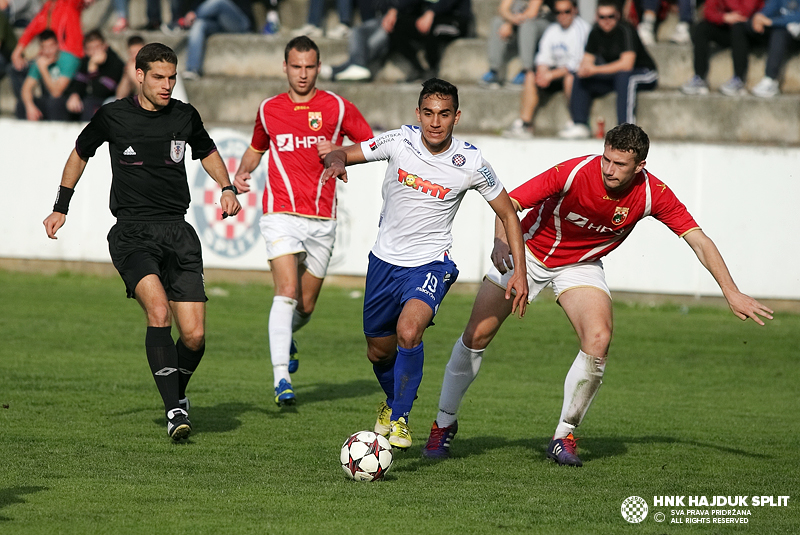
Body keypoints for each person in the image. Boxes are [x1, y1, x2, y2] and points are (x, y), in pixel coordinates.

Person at [422, 123, 773, 464]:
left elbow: (699, 240)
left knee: (599, 338)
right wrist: (502, 245)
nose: (609, 169)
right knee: (477, 334)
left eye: (619, 164)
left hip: (581, 265)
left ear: (640, 166)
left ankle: (564, 436)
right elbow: (507, 204)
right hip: (526, 252)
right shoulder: (574, 171)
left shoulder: (653, 194)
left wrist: (731, 291)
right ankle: (443, 423)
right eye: (606, 159)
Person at [42, 43, 242, 441]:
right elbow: (80, 153)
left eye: (172, 77)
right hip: (132, 233)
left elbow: (207, 151)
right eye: (158, 77)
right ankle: (173, 412)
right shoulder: (113, 115)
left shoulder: (185, 116)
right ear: (139, 75)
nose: (167, 85)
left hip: (178, 233)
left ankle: (176, 394)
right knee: (158, 310)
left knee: (195, 336)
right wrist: (61, 205)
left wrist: (227, 186)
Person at [321, 78, 530, 449]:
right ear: (418, 114)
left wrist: (521, 274)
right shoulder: (399, 141)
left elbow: (509, 214)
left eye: (444, 114)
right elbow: (343, 153)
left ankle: (400, 418)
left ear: (456, 117)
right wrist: (336, 161)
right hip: (384, 263)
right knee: (378, 350)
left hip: (432, 264)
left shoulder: (471, 161)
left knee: (408, 331)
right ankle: (392, 402)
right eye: (429, 113)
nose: (435, 122)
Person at [232, 36, 373, 408]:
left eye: (310, 67)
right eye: (296, 66)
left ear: (319, 67)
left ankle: (287, 336)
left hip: (323, 218)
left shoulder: (338, 108)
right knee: (287, 291)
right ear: (285, 67)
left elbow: (373, 144)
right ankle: (282, 376)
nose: (303, 74)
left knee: (305, 306)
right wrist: (242, 173)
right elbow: (256, 148)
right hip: (279, 213)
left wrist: (340, 152)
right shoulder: (269, 109)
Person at [558, 0, 657, 139]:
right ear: (596, 17)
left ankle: (626, 130)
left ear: (617, 16)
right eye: (602, 17)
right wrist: (585, 70)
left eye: (610, 16)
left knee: (625, 78)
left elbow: (626, 64)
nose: (606, 21)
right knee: (579, 77)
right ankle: (579, 123)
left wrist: (594, 70)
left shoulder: (626, 30)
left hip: (644, 72)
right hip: (615, 76)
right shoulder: (594, 32)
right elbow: (587, 61)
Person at [503, 0, 590, 138]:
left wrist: (550, 75)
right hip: (554, 73)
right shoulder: (553, 29)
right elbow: (543, 57)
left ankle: (577, 122)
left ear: (574, 10)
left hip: (575, 76)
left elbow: (576, 63)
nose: (562, 15)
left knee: (571, 77)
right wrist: (542, 73)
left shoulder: (582, 29)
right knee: (531, 75)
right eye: (558, 12)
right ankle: (525, 124)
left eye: (566, 11)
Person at [680, 0, 764, 96]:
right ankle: (699, 77)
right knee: (702, 28)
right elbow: (708, 12)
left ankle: (739, 79)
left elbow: (745, 12)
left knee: (738, 27)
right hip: (728, 26)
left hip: (752, 31)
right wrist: (724, 17)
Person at [389, 0, 473, 80]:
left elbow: (447, 3)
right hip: (430, 19)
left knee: (433, 30)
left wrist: (432, 12)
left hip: (455, 21)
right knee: (395, 27)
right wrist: (394, 10)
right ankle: (419, 68)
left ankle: (432, 68)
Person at [480, 0, 554, 88]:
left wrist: (510, 24)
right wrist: (510, 21)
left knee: (527, 25)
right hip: (518, 22)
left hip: (542, 24)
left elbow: (532, 13)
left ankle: (527, 71)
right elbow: (502, 9)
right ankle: (494, 70)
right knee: (497, 22)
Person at [16, 28, 79, 120]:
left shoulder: (68, 60)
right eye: (45, 47)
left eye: (51, 46)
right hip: (49, 100)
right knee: (21, 105)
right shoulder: (40, 61)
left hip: (68, 100)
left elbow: (56, 92)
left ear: (57, 45)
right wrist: (30, 107)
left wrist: (43, 69)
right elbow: (26, 89)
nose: (48, 51)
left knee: (54, 103)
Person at [182, 0, 254, 79]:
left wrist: (195, 13)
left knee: (219, 2)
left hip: (240, 23)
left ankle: (188, 20)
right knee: (199, 25)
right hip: (218, 22)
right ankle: (192, 69)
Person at [65, 30, 125, 121]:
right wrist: (75, 95)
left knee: (89, 103)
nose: (95, 52)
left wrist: (93, 69)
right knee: (66, 103)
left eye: (97, 47)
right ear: (86, 51)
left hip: (111, 100)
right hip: (90, 100)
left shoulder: (115, 63)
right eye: (91, 49)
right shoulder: (85, 61)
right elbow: (78, 82)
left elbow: (100, 92)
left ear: (105, 46)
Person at [748, 0, 800, 97]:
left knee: (779, 32)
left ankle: (770, 80)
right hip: (784, 30)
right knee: (741, 26)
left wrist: (771, 22)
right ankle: (738, 80)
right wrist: (759, 17)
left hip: (795, 35)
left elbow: (797, 17)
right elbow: (769, 9)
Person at [116, 34, 145, 99]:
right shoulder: (130, 67)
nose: (136, 56)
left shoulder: (152, 66)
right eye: (133, 53)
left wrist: (134, 76)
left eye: (138, 52)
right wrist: (126, 75)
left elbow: (147, 95)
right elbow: (120, 96)